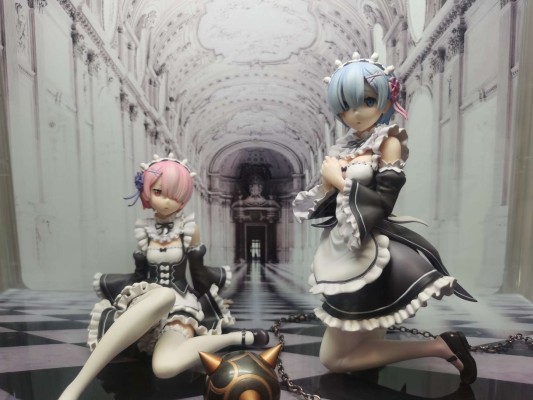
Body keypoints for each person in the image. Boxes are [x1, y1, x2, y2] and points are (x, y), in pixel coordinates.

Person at [292, 53, 477, 384]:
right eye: (346, 106)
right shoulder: (343, 147)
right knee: (361, 337)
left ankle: (439, 347)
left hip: (368, 252)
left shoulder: (388, 141)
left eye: (366, 101)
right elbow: (324, 205)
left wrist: (338, 181)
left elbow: (384, 203)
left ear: (385, 99)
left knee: (333, 359)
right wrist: (326, 187)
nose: (356, 113)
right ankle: (396, 359)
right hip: (341, 248)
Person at [59, 154, 268, 400]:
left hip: (180, 305)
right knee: (163, 295)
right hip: (150, 299)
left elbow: (198, 271)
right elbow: (140, 273)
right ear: (147, 191)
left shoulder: (189, 228)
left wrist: (212, 299)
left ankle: (232, 338)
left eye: (176, 195)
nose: (167, 201)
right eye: (159, 192)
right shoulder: (144, 229)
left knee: (164, 368)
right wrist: (122, 296)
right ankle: (75, 387)